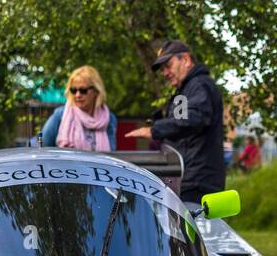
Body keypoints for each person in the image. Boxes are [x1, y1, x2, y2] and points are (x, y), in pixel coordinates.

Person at [123, 40, 225, 204]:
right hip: (188, 178)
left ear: (185, 60)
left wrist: (153, 130)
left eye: (168, 65)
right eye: (162, 69)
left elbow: (194, 119)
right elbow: (179, 125)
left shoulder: (199, 84)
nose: (165, 72)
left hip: (198, 181)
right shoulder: (185, 89)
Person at [41, 67, 117, 151]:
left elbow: (111, 154)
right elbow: (43, 148)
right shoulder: (60, 115)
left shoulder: (108, 118)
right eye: (73, 90)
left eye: (83, 90)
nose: (77, 95)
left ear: (96, 91)